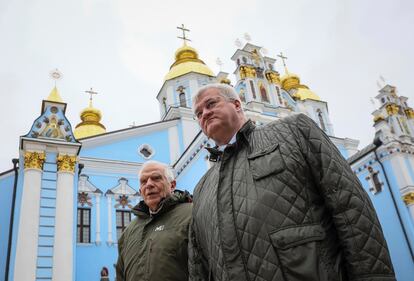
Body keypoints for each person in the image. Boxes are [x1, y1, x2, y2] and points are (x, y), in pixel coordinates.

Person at [189, 83, 396, 281]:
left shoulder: (293, 131)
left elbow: (349, 205)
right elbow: (199, 264)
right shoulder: (202, 188)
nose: (205, 113)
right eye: (198, 113)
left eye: (211, 104)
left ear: (236, 104)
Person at [116, 160, 192, 281]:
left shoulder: (192, 214)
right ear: (141, 191)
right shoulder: (130, 230)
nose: (149, 184)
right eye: (143, 181)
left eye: (156, 178)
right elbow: (120, 274)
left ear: (172, 185)